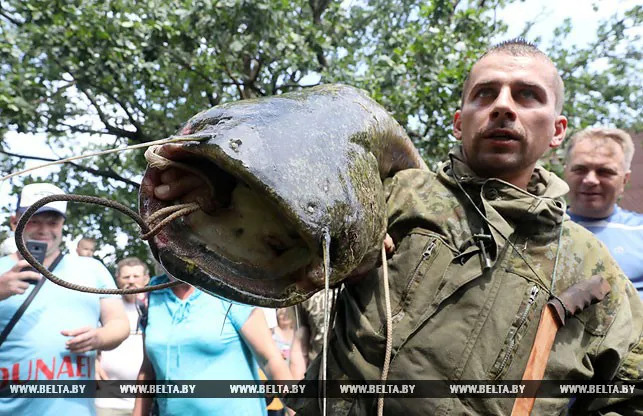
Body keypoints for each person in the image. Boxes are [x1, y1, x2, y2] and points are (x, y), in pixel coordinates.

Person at [143, 39, 642, 415]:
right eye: (485, 93)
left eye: (527, 95)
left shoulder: (592, 268)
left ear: (557, 129)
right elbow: (267, 230)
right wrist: (208, 187)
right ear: (459, 119)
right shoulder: (391, 195)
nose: (503, 106)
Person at [0, 182, 129, 415]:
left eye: (52, 221)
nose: (43, 229)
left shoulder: (92, 268)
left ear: (62, 225)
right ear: (14, 221)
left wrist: (98, 338)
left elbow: (119, 324)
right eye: (33, 220)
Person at [133, 274, 293, 416]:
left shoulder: (229, 287)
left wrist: (296, 410)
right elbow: (148, 369)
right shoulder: (149, 296)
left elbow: (270, 360)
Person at [563, 127, 643, 299]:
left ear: (624, 180)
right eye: (580, 169)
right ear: (566, 172)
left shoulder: (640, 231)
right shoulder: (541, 229)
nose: (590, 180)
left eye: (605, 171)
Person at [95, 257, 150, 416]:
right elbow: (90, 338)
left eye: (136, 276)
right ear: (117, 280)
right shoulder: (107, 309)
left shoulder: (157, 307)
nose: (131, 281)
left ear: (146, 279)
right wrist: (92, 361)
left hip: (146, 400)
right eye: (126, 277)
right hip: (107, 401)